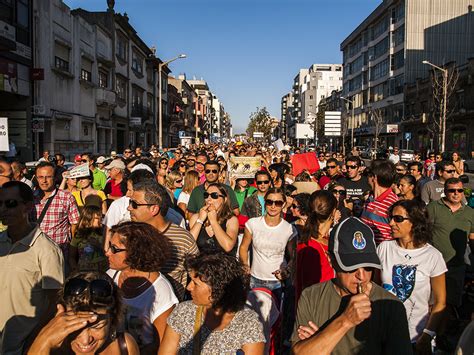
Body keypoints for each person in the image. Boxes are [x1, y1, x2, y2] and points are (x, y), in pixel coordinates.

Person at [292, 217, 412, 355]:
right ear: (331, 260)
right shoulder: (312, 296)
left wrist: (321, 340)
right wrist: (345, 321)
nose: (361, 276)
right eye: (351, 267)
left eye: (368, 267)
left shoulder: (390, 306)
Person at [0, 181, 64, 354]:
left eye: (10, 203)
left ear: (28, 207)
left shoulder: (47, 250)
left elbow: (55, 303)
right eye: (0, 203)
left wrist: (35, 340)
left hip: (22, 346)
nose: (3, 209)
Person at [159, 253, 265, 354]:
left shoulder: (248, 324)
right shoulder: (183, 312)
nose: (189, 287)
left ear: (216, 289)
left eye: (195, 283)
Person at [377, 200, 447, 350]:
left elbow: (440, 302)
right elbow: (375, 288)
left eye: (398, 219)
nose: (391, 223)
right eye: (391, 217)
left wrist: (427, 335)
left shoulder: (433, 256)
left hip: (417, 337)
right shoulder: (383, 249)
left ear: (414, 222)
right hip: (384, 335)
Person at [106, 222, 178, 352]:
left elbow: (161, 344)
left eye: (114, 249)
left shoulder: (161, 290)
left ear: (135, 251)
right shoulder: (111, 275)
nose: (107, 253)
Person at [27, 271, 139, 354]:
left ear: (112, 319)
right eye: (74, 325)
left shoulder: (125, 347)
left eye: (97, 326)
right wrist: (44, 342)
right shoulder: (47, 349)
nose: (85, 341)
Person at [127, 177, 198, 301]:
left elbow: (197, 276)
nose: (129, 208)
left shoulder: (183, 239)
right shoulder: (128, 234)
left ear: (154, 209)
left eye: (134, 204)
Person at [427, 178, 474, 315]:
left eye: (460, 190)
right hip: (434, 266)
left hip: (457, 266)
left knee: (451, 304)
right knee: (432, 302)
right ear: (445, 192)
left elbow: (472, 239)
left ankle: (446, 332)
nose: (456, 193)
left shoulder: (470, 213)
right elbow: (422, 232)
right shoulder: (433, 208)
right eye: (452, 190)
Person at [239, 188, 297, 300]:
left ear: (284, 204)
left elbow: (294, 257)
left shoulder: (289, 229)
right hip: (254, 279)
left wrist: (286, 271)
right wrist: (245, 267)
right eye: (270, 202)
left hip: (277, 282)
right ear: (265, 202)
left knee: (275, 316)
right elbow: (243, 247)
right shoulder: (253, 224)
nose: (273, 206)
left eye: (278, 203)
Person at [295, 191, 337, 303]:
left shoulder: (327, 241)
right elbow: (309, 292)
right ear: (333, 212)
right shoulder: (310, 248)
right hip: (317, 312)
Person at [34, 161, 80, 257]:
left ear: (54, 178)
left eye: (48, 177)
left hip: (58, 250)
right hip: (35, 250)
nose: (44, 181)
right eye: (41, 177)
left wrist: (72, 250)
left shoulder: (66, 197)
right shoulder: (30, 198)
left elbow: (75, 224)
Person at [189, 183, 239, 255]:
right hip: (200, 264)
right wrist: (200, 220)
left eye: (214, 195)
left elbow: (228, 246)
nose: (209, 199)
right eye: (206, 195)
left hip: (224, 264)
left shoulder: (231, 220)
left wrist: (213, 221)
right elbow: (188, 244)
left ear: (224, 199)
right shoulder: (196, 218)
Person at [361, 160, 399, 244]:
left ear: (374, 178)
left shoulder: (393, 204)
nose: (367, 178)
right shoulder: (370, 198)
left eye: (368, 175)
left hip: (382, 254)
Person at [69, 204, 108, 272]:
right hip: (84, 271)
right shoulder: (79, 235)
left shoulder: (104, 232)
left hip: (103, 270)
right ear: (88, 218)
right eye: (97, 218)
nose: (100, 220)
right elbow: (71, 256)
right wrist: (75, 269)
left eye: (101, 218)